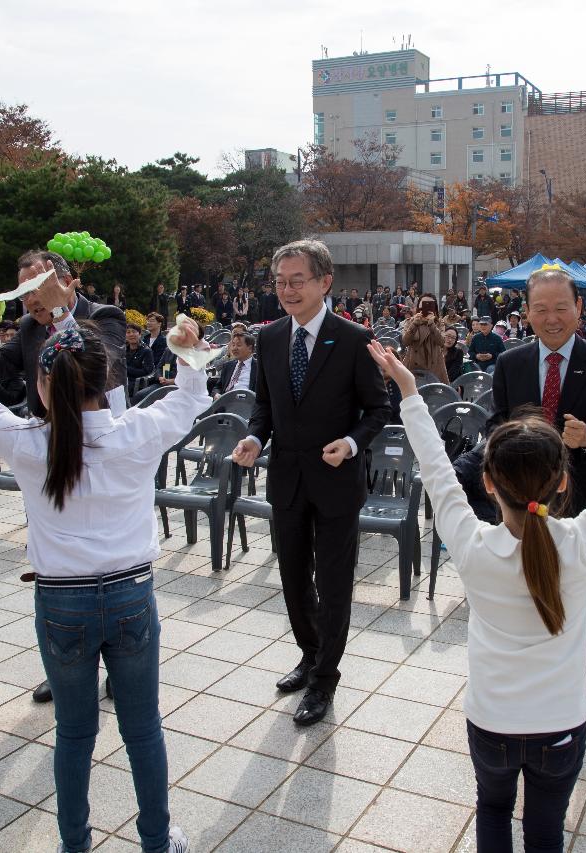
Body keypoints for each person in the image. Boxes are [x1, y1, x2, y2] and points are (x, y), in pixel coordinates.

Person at [371, 332, 586, 850]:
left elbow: (437, 469)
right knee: (547, 828)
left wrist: (410, 390)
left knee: (491, 810)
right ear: (561, 482)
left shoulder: (471, 542)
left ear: (487, 483)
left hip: (490, 722)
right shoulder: (584, 540)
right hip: (562, 724)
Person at [0, 268, 197, 853]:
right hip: (132, 595)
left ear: (43, 383)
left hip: (61, 602)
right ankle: (157, 842)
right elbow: (190, 400)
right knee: (142, 730)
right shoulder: (137, 431)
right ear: (105, 380)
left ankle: (74, 845)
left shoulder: (29, 443)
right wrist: (187, 350)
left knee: (74, 734)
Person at [231, 239, 391, 727]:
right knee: (293, 576)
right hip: (287, 478)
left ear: (325, 282)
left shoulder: (352, 338)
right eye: (280, 282)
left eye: (297, 281)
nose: (287, 291)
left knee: (334, 581)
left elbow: (379, 409)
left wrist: (351, 440)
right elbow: (265, 406)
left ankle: (326, 679)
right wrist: (255, 438)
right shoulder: (272, 337)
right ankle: (309, 654)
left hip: (336, 480)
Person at [490, 267, 586, 711]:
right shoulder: (510, 363)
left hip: (581, 500)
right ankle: (527, 682)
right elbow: (497, 422)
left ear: (579, 309)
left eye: (561, 308)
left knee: (579, 598)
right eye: (541, 309)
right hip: (520, 504)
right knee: (520, 593)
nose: (552, 318)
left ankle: (578, 689)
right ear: (527, 312)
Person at [0, 252, 128, 418]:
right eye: (24, 293)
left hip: (103, 427)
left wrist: (59, 312)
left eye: (40, 287)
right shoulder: (30, 325)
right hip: (47, 432)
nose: (31, 300)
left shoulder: (106, 316)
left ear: (67, 282)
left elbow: (98, 368)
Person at [401, 295, 447, 384]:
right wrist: (414, 324)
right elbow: (405, 341)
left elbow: (441, 342)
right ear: (419, 306)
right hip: (413, 365)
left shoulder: (439, 322)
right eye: (424, 304)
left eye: (430, 304)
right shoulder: (411, 321)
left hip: (434, 365)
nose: (426, 307)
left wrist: (432, 324)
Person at [124, 322, 155, 396]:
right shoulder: (124, 350)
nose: (131, 334)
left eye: (134, 332)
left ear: (140, 334)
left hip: (137, 383)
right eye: (128, 332)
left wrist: (125, 369)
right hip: (124, 380)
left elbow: (146, 371)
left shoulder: (146, 351)